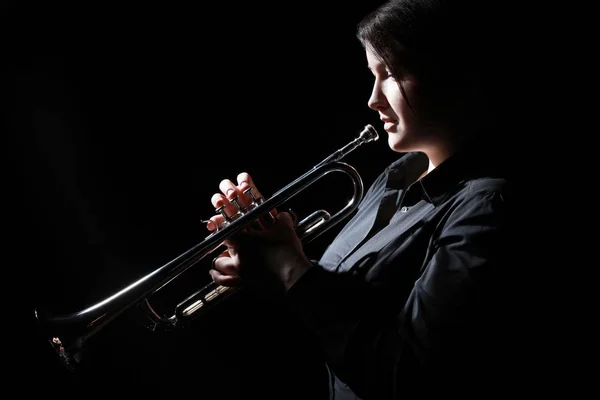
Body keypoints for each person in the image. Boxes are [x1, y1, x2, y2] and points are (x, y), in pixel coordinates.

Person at [205, 0, 528, 398]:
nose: (373, 100)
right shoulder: (395, 179)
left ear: (448, 73)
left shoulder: (488, 208)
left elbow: (408, 375)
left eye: (390, 74)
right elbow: (335, 318)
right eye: (373, 76)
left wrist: (290, 267)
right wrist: (268, 261)